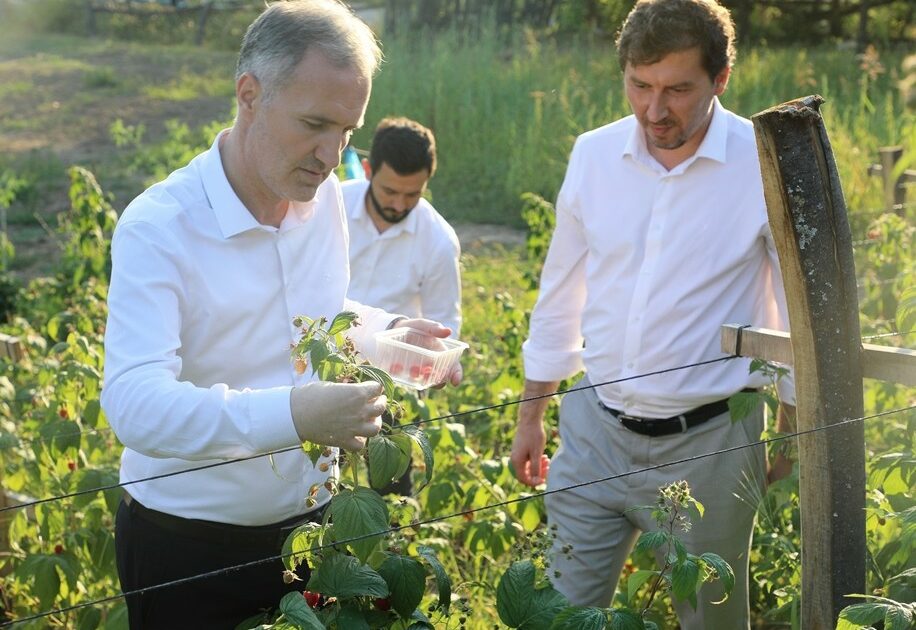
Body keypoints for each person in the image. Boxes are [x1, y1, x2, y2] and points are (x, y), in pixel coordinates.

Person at [100, 2, 458, 627]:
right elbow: (134, 405)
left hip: (310, 534)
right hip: (189, 545)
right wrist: (293, 416)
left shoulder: (321, 205)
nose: (331, 155)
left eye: (347, 131)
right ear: (249, 94)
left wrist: (381, 334)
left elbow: (314, 313)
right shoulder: (160, 227)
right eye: (314, 123)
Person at [509, 0, 796, 627]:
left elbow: (800, 312)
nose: (654, 110)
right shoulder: (594, 155)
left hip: (711, 444)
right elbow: (561, 292)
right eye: (640, 86)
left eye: (677, 89)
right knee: (558, 617)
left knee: (712, 621)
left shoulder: (763, 161)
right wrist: (532, 413)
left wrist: (793, 426)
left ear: (720, 80)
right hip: (592, 436)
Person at [342, 117, 461, 336]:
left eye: (412, 194)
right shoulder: (332, 206)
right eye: (390, 192)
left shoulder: (439, 241)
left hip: (390, 363)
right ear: (367, 170)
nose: (399, 206)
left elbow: (444, 323)